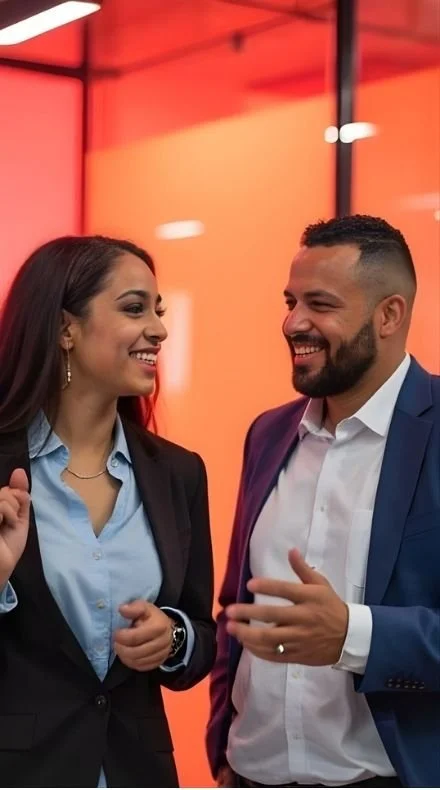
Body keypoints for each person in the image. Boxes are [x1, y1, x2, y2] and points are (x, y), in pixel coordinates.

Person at [207, 215, 440, 789]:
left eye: (320, 304)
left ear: (389, 315)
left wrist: (352, 637)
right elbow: (236, 604)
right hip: (249, 775)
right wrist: (221, 743)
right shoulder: (267, 434)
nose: (293, 322)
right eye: (290, 301)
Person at [0, 235, 216, 788]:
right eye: (134, 308)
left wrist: (172, 638)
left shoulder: (179, 472)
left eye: (158, 310)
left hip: (137, 771)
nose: (160, 329)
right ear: (65, 328)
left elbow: (201, 637)